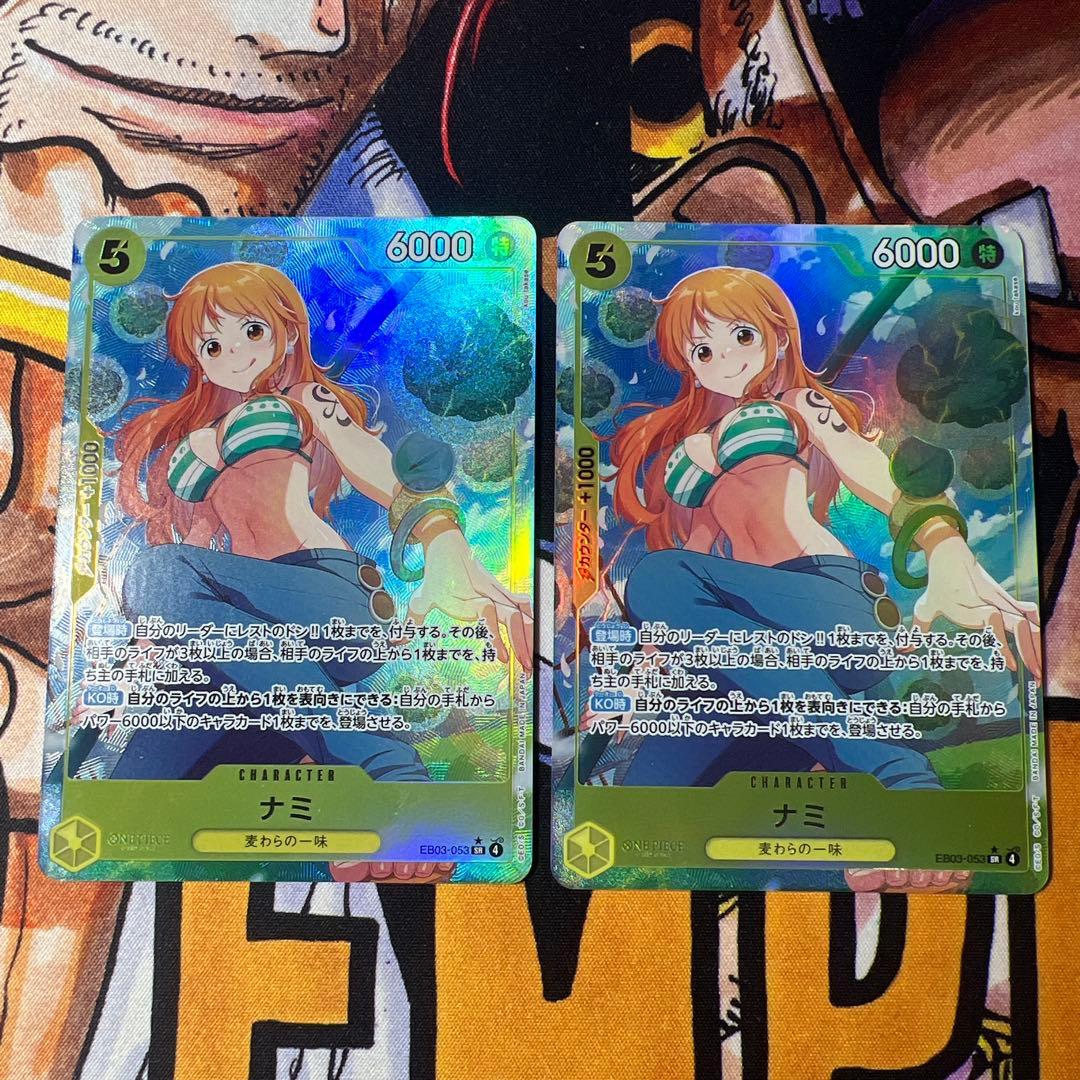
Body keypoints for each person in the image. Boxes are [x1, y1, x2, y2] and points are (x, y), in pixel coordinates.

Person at [603, 265, 1041, 787]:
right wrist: (659, 646)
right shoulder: (693, 445)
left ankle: (888, 761)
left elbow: (864, 463)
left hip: (826, 599)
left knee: (655, 576)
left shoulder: (796, 405)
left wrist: (941, 539)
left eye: (742, 336)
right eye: (702, 350)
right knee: (652, 780)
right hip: (757, 643)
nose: (726, 359)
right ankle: (894, 780)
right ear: (691, 367)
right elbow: (698, 556)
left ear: (778, 338)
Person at [98, 260, 531, 782]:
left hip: (328, 594)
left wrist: (440, 538)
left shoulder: (303, 399)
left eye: (251, 331)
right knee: (147, 767)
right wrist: (153, 637)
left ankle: (378, 753)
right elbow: (197, 551)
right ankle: (386, 779)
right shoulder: (202, 439)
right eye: (212, 345)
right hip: (254, 632)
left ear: (286, 334)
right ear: (200, 363)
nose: (233, 353)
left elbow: (370, 460)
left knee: (154, 571)